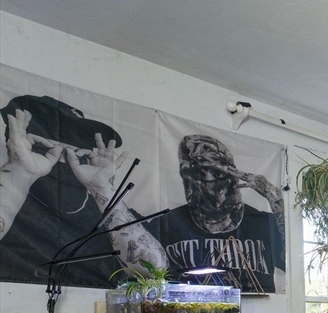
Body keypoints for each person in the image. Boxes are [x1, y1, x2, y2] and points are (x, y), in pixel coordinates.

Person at [0, 95, 164, 286]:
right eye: (46, 150)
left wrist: (103, 189)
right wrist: (20, 171)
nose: (63, 160)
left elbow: (156, 271)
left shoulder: (106, 209)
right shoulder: (9, 194)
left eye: (74, 151)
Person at [147, 134, 285, 293]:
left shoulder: (262, 223)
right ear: (187, 177)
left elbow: (292, 260)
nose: (218, 186)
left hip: (257, 310)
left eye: (220, 173)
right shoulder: (166, 224)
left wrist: (274, 197)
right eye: (200, 173)